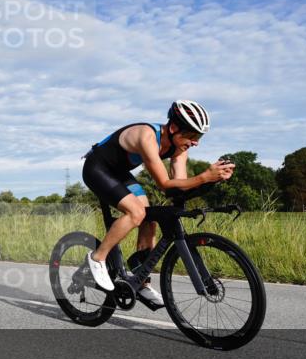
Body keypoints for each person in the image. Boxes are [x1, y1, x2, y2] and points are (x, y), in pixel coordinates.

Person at [81, 100, 235, 305]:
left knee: (150, 216)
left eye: (199, 136)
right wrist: (205, 176)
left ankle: (140, 280)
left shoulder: (180, 147)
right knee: (136, 213)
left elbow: (178, 188)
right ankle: (97, 258)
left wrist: (212, 181)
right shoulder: (147, 137)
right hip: (97, 168)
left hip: (119, 173)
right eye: (191, 135)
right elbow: (165, 184)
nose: (195, 142)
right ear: (173, 128)